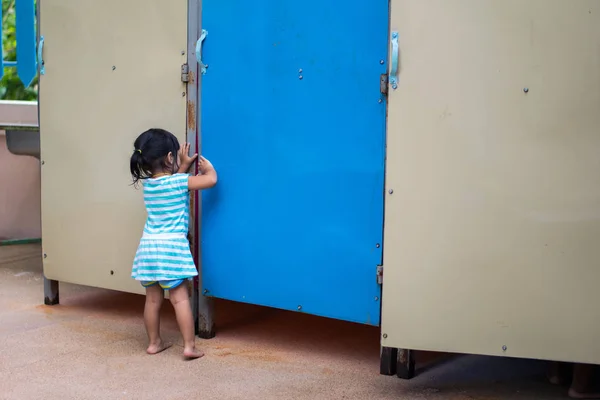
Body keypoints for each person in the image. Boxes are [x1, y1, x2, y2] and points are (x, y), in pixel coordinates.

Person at [129, 128, 217, 359]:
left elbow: (172, 185)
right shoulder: (179, 182)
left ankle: (154, 343)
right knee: (179, 299)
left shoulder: (148, 186)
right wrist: (208, 169)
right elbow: (210, 181)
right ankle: (189, 347)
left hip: (148, 249)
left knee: (152, 300)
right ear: (170, 158)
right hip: (171, 250)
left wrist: (183, 166)